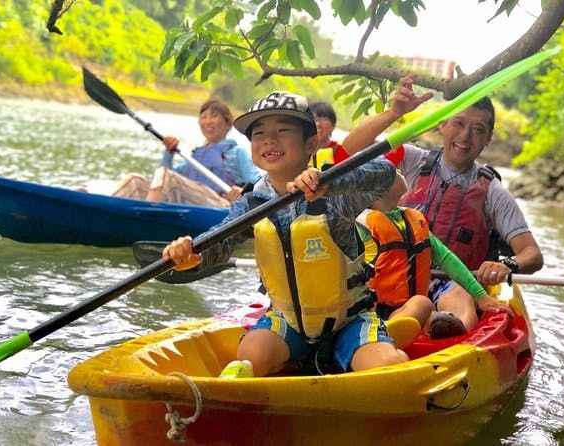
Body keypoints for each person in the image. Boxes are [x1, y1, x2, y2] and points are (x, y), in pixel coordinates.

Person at [162, 90, 411, 378]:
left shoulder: (335, 189)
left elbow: (387, 176)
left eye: (282, 130)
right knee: (250, 355)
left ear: (311, 143)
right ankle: (295, 362)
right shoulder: (252, 202)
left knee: (386, 369)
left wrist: (331, 181)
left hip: (349, 320)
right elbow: (220, 242)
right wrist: (191, 251)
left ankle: (384, 353)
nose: (269, 139)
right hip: (288, 321)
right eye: (259, 134)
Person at [343, 73, 544, 337]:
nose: (465, 136)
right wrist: (394, 113)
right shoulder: (411, 160)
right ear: (443, 125)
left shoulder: (493, 192)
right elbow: (348, 150)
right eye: (458, 123)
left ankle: (446, 327)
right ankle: (394, 329)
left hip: (454, 281)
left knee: (459, 295)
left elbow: (532, 254)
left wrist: (507, 265)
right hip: (394, 279)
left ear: (488, 138)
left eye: (478, 129)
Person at [355, 171, 513, 336]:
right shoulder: (362, 227)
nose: (399, 171)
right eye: (393, 172)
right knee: (423, 304)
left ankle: (449, 332)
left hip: (410, 308)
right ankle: (384, 334)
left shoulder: (412, 220)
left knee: (423, 305)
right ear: (377, 190)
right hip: (375, 310)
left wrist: (481, 296)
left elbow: (446, 259)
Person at [111, 98, 262, 208]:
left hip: (221, 205)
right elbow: (163, 178)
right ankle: (104, 209)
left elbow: (259, 183)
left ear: (228, 123)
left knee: (166, 175)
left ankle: (145, 220)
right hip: (191, 202)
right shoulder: (195, 157)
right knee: (134, 180)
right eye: (203, 117)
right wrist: (168, 153)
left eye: (214, 116)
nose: (208, 121)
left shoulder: (237, 152)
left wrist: (242, 191)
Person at [308, 101, 350, 169]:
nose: (318, 124)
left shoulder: (340, 150)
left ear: (333, 125)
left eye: (323, 119)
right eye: (314, 120)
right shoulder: (301, 152)